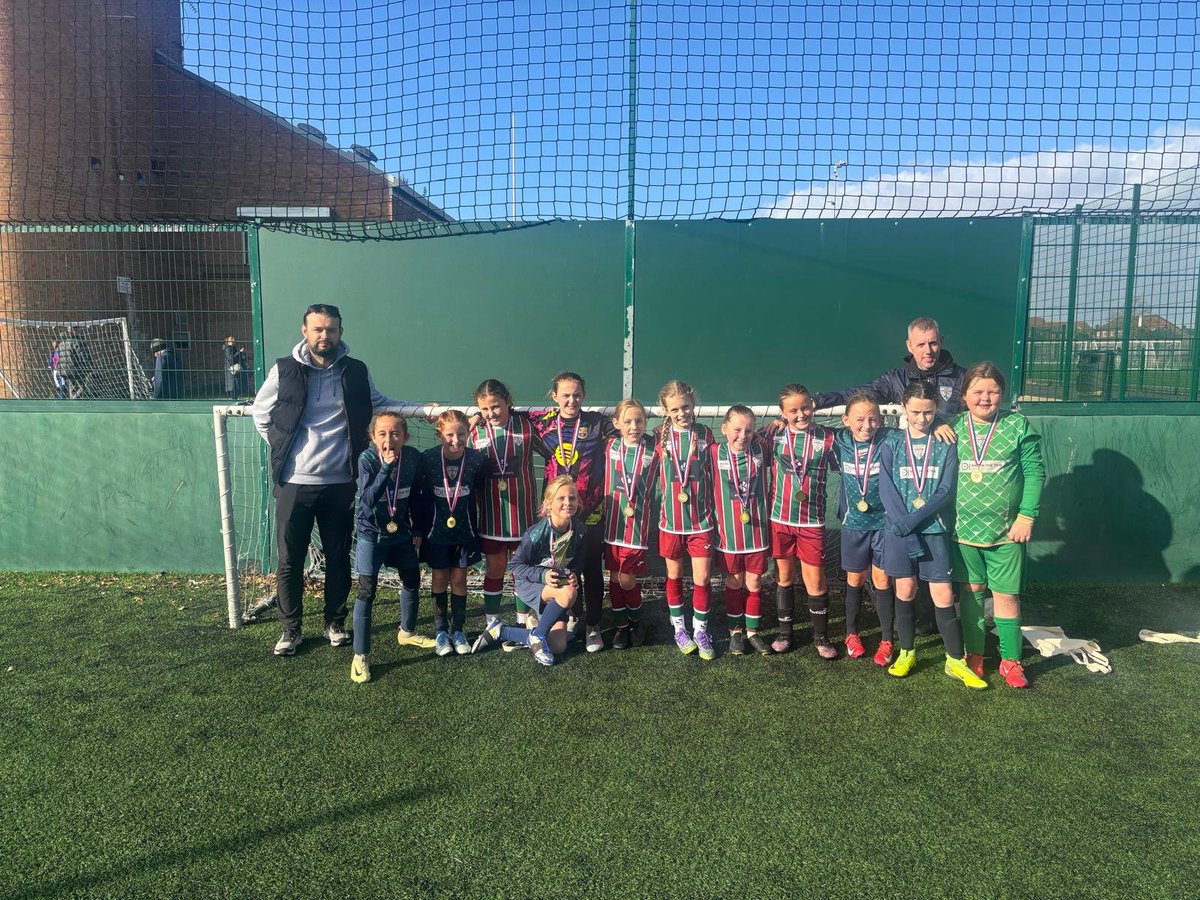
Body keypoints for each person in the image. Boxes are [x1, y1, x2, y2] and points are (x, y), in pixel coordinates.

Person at [252, 303, 420, 657]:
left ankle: (334, 622)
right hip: (295, 482)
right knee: (289, 560)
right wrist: (282, 447)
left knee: (338, 556)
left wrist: (425, 411)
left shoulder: (355, 370)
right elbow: (261, 412)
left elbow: (380, 403)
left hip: (341, 481)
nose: (323, 336)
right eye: (317, 329)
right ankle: (291, 629)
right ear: (304, 331)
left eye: (330, 329)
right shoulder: (284, 369)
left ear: (340, 332)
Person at [877, 382, 986, 688]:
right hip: (898, 530)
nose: (922, 419)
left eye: (928, 412)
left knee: (943, 595)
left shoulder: (946, 443)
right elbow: (887, 489)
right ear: (903, 408)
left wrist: (911, 521)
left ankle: (954, 660)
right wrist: (905, 525)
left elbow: (945, 491)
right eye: (915, 412)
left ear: (936, 409)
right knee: (906, 590)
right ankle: (907, 652)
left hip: (933, 529)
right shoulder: (892, 443)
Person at [952, 362, 1045, 688]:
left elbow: (1035, 474)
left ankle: (1011, 660)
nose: (985, 398)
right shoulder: (952, 428)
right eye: (978, 391)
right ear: (964, 395)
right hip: (963, 532)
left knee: (1005, 597)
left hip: (1007, 532)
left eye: (992, 391)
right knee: (971, 593)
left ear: (1002, 394)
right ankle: (974, 656)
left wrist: (1026, 515)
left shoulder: (1018, 425)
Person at [527, 372, 614, 652]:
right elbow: (510, 416)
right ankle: (574, 616)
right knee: (564, 567)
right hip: (559, 514)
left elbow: (628, 429)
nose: (571, 400)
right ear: (555, 396)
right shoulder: (542, 422)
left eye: (576, 394)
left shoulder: (596, 423)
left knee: (590, 569)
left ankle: (593, 626)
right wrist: (477, 417)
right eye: (565, 395)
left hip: (590, 512)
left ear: (584, 395)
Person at [472, 475, 587, 667]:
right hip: (531, 584)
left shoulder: (581, 530)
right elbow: (515, 566)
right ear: (549, 503)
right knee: (569, 592)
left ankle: (503, 631)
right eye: (561, 498)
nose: (568, 503)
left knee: (558, 646)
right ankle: (539, 633)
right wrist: (542, 574)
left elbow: (579, 560)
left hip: (557, 590)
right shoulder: (536, 533)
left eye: (572, 498)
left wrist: (574, 572)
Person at [349, 412, 429, 683]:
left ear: (405, 437)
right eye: (382, 433)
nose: (388, 439)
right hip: (372, 533)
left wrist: (418, 527)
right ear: (373, 437)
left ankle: (406, 632)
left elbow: (419, 495)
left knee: (412, 580)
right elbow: (369, 499)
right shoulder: (367, 459)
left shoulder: (413, 458)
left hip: (401, 532)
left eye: (395, 433)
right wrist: (385, 468)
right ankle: (361, 654)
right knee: (366, 590)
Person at [764, 384, 839, 658]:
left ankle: (821, 638)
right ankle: (785, 634)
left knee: (815, 580)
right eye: (792, 410)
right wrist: (773, 424)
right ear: (782, 413)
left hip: (812, 522)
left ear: (813, 406)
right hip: (779, 519)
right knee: (784, 577)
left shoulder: (829, 438)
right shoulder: (772, 436)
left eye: (805, 407)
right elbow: (742, 438)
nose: (800, 414)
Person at [469, 379, 544, 650]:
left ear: (508, 402)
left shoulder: (526, 427)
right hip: (491, 516)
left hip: (523, 517)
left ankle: (522, 622)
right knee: (495, 569)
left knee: (522, 571)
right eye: (485, 408)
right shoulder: (475, 432)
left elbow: (552, 455)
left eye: (496, 406)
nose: (491, 413)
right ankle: (492, 622)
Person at [416, 409, 494, 657]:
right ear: (440, 435)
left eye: (461, 433)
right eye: (450, 434)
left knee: (459, 580)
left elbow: (483, 486)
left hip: (465, 532)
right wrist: (418, 528)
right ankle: (441, 632)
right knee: (439, 579)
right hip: (436, 534)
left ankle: (458, 630)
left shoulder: (476, 459)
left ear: (468, 433)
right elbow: (420, 496)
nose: (456, 439)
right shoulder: (428, 459)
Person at [831, 391, 897, 664]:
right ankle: (851, 633)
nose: (866, 425)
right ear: (846, 420)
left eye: (873, 419)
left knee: (882, 581)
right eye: (860, 419)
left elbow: (921, 428)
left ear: (881, 420)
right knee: (855, 580)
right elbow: (806, 428)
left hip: (883, 525)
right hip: (853, 525)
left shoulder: (891, 439)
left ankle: (886, 639)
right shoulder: (839, 441)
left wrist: (939, 422)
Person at [811, 316, 967, 430]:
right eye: (920, 345)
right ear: (909, 346)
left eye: (933, 343)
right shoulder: (897, 379)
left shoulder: (963, 378)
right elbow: (860, 394)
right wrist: (819, 400)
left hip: (950, 458)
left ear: (941, 341)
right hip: (910, 459)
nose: (928, 351)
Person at [655, 380, 717, 659]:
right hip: (670, 523)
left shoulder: (705, 433)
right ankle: (679, 629)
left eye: (686, 407)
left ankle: (701, 629)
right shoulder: (657, 436)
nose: (682, 413)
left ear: (693, 405)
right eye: (676, 409)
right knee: (674, 576)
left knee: (702, 579)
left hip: (700, 522)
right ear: (666, 410)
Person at [710, 405, 772, 656]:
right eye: (737, 429)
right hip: (728, 533)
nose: (742, 435)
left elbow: (780, 432)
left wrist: (776, 422)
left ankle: (753, 632)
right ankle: (736, 631)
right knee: (734, 581)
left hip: (757, 532)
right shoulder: (713, 452)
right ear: (724, 429)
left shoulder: (762, 449)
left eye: (749, 430)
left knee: (755, 581)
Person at [600, 399, 657, 650]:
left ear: (646, 423)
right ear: (616, 424)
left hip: (637, 527)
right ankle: (620, 626)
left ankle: (636, 620)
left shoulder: (654, 449)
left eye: (639, 421)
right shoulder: (610, 444)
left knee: (626, 578)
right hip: (611, 526)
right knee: (613, 577)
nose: (634, 426)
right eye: (628, 421)